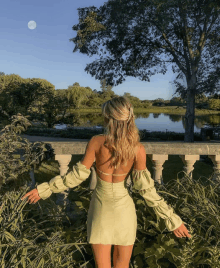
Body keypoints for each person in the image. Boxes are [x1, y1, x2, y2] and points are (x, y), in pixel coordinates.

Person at [21, 96, 191, 268]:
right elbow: (147, 191)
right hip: (125, 211)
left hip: (101, 209)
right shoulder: (137, 149)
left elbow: (75, 176)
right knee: (122, 265)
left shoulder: (96, 142)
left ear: (109, 118)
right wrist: (173, 220)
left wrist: (44, 189)